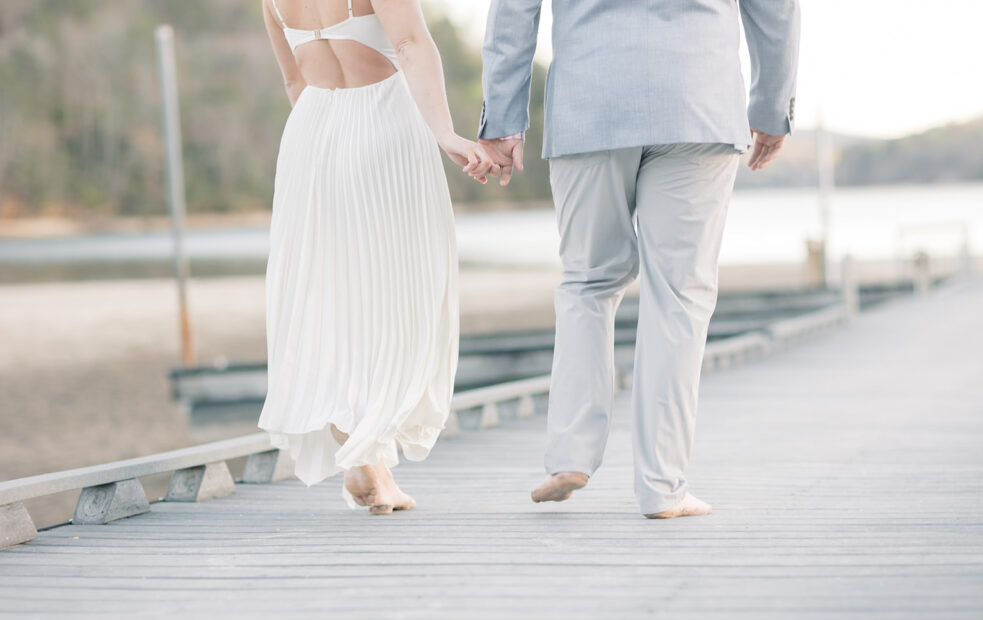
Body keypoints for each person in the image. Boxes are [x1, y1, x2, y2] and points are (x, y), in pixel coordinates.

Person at [479, 0, 801, 519]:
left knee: (588, 281)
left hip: (591, 102)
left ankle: (570, 454)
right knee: (679, 295)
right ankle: (662, 486)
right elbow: (775, 9)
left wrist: (504, 119)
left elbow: (514, 9)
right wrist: (771, 108)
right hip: (698, 101)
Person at [257, 0, 496, 514]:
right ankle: (370, 452)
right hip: (383, 126)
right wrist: (444, 133)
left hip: (310, 137)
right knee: (400, 296)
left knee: (332, 300)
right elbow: (410, 45)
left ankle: (369, 461)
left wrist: (324, 145)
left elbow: (294, 82)